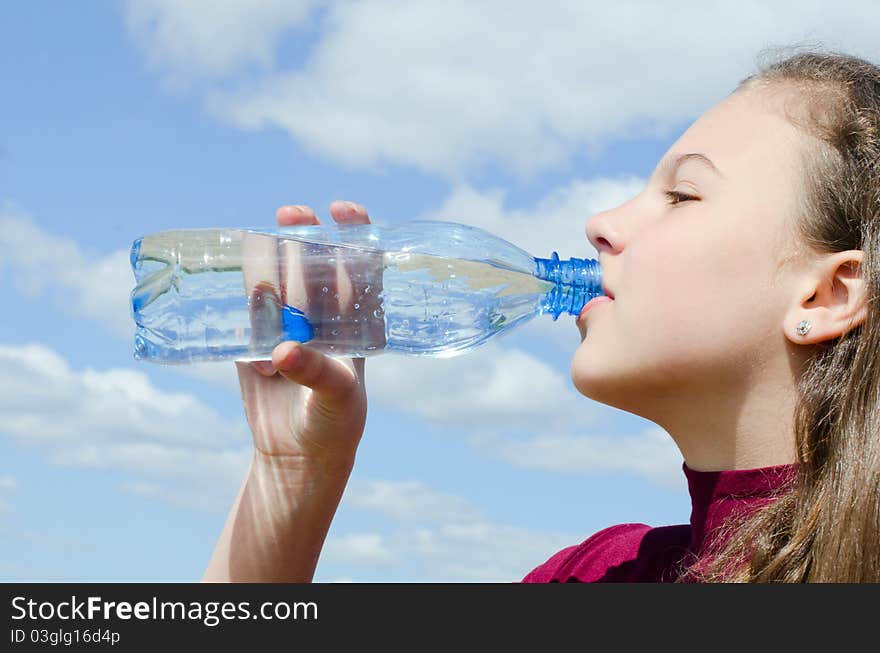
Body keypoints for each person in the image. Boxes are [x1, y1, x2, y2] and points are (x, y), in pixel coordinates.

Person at [203, 48, 880, 583]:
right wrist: (291, 476)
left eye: (681, 195)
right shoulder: (594, 578)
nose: (599, 224)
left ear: (827, 295)